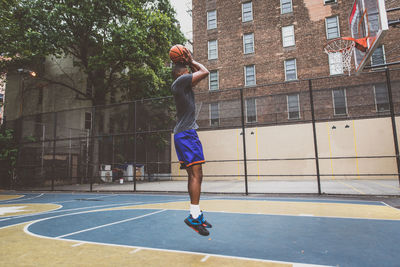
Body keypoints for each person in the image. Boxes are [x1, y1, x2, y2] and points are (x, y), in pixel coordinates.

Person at [171, 48, 212, 236]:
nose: (191, 75)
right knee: (196, 175)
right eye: (188, 72)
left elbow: (198, 73)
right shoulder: (181, 80)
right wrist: (192, 60)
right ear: (183, 73)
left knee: (195, 175)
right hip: (187, 134)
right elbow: (205, 71)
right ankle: (194, 217)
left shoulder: (181, 84)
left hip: (183, 134)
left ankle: (195, 213)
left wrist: (188, 63)